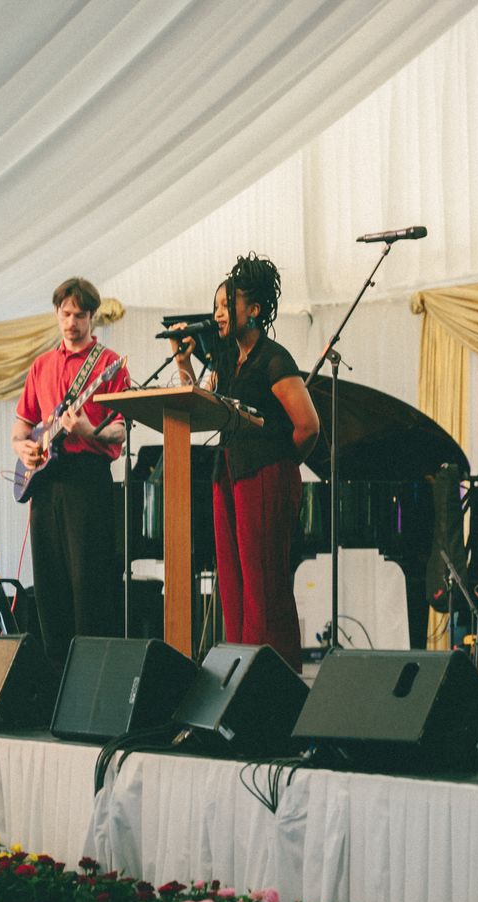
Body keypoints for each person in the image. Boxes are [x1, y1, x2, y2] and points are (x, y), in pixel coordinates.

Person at [169, 254, 319, 671]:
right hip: (229, 474)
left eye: (226, 305)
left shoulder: (273, 359)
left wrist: (279, 464)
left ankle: (271, 676)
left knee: (262, 586)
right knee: (233, 585)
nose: (217, 314)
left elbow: (308, 426)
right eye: (216, 305)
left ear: (252, 310)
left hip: (264, 476)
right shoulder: (225, 361)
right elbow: (202, 407)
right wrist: (183, 364)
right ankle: (239, 672)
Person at [13, 277, 132, 665]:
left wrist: (87, 430)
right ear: (56, 313)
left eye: (80, 315)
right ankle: (55, 677)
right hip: (46, 483)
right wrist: (23, 448)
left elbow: (122, 430)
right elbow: (20, 428)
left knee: (89, 583)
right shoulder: (41, 365)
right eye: (65, 314)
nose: (71, 323)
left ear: (92, 316)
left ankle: (92, 675)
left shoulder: (109, 364)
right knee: (49, 585)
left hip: (88, 479)